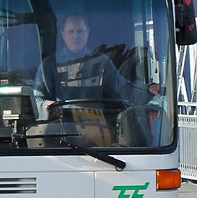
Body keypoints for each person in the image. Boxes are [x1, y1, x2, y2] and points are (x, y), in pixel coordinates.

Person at [33, 13, 161, 119]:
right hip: (62, 133)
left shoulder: (101, 62)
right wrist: (47, 106)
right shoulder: (50, 65)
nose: (75, 36)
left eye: (80, 31)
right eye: (71, 31)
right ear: (63, 34)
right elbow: (38, 98)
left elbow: (125, 90)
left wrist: (149, 89)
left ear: (87, 32)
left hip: (98, 133)